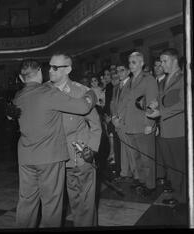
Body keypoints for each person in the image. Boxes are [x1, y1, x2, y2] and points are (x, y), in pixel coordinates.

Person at [12, 59, 97, 228]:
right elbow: (82, 107)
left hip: (25, 158)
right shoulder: (48, 93)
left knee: (26, 203)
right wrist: (91, 94)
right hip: (49, 158)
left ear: (22, 79)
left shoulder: (18, 97)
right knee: (51, 205)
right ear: (39, 73)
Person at [48, 53, 102, 227]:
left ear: (68, 69)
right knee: (67, 202)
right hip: (54, 158)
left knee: (85, 203)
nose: (50, 70)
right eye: (49, 66)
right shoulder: (44, 91)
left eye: (55, 67)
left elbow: (95, 125)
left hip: (79, 155)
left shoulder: (81, 92)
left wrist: (91, 151)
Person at [146, 48, 186, 205]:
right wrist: (156, 103)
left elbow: (184, 103)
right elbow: (165, 99)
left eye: (164, 61)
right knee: (172, 167)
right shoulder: (167, 79)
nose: (162, 65)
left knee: (180, 166)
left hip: (178, 130)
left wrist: (160, 111)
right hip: (165, 131)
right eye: (160, 61)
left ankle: (184, 197)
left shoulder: (183, 78)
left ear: (174, 60)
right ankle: (177, 194)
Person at [124, 51, 158, 196]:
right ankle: (143, 182)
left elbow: (152, 102)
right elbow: (126, 103)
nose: (131, 65)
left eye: (134, 62)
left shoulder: (148, 79)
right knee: (136, 158)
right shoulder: (129, 80)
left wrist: (150, 123)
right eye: (130, 62)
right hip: (130, 125)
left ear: (141, 63)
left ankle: (150, 186)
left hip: (143, 125)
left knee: (147, 158)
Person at [110, 61, 139, 182]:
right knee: (123, 150)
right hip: (117, 123)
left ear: (128, 71)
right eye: (117, 71)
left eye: (122, 70)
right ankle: (124, 173)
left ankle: (137, 176)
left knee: (132, 151)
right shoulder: (116, 86)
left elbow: (131, 105)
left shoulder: (133, 85)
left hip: (127, 122)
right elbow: (113, 104)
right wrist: (113, 118)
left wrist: (120, 119)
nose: (119, 73)